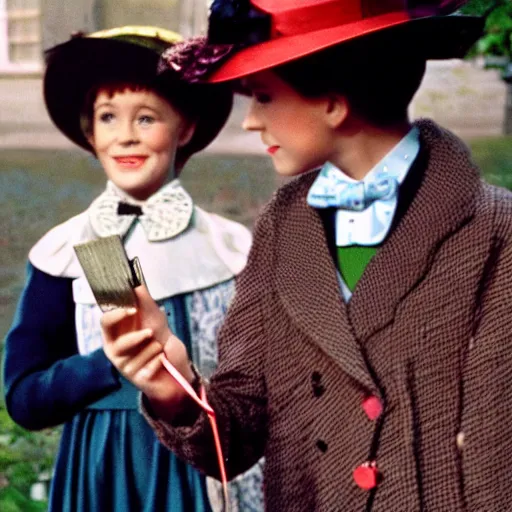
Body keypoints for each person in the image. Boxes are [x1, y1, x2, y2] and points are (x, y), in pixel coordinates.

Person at [101, 2, 509, 510]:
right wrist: (174, 388)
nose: (250, 121)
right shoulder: (281, 227)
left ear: (333, 104)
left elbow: (498, 452)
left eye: (265, 97)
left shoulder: (497, 233)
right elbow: (239, 436)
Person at [3, 25, 263, 512]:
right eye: (107, 117)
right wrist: (107, 366)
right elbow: (24, 396)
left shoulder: (230, 248)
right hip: (105, 474)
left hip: (203, 472)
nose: (125, 136)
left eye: (146, 118)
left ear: (185, 128)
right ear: (89, 132)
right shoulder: (76, 249)